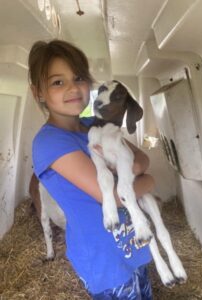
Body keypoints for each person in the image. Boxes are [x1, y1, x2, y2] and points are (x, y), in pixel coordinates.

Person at [29, 39, 155, 299]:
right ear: (38, 92)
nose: (73, 88)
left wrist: (135, 167)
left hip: (133, 243)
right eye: (57, 82)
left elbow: (140, 156)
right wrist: (149, 180)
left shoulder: (92, 124)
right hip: (105, 261)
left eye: (78, 77)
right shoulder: (50, 142)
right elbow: (114, 197)